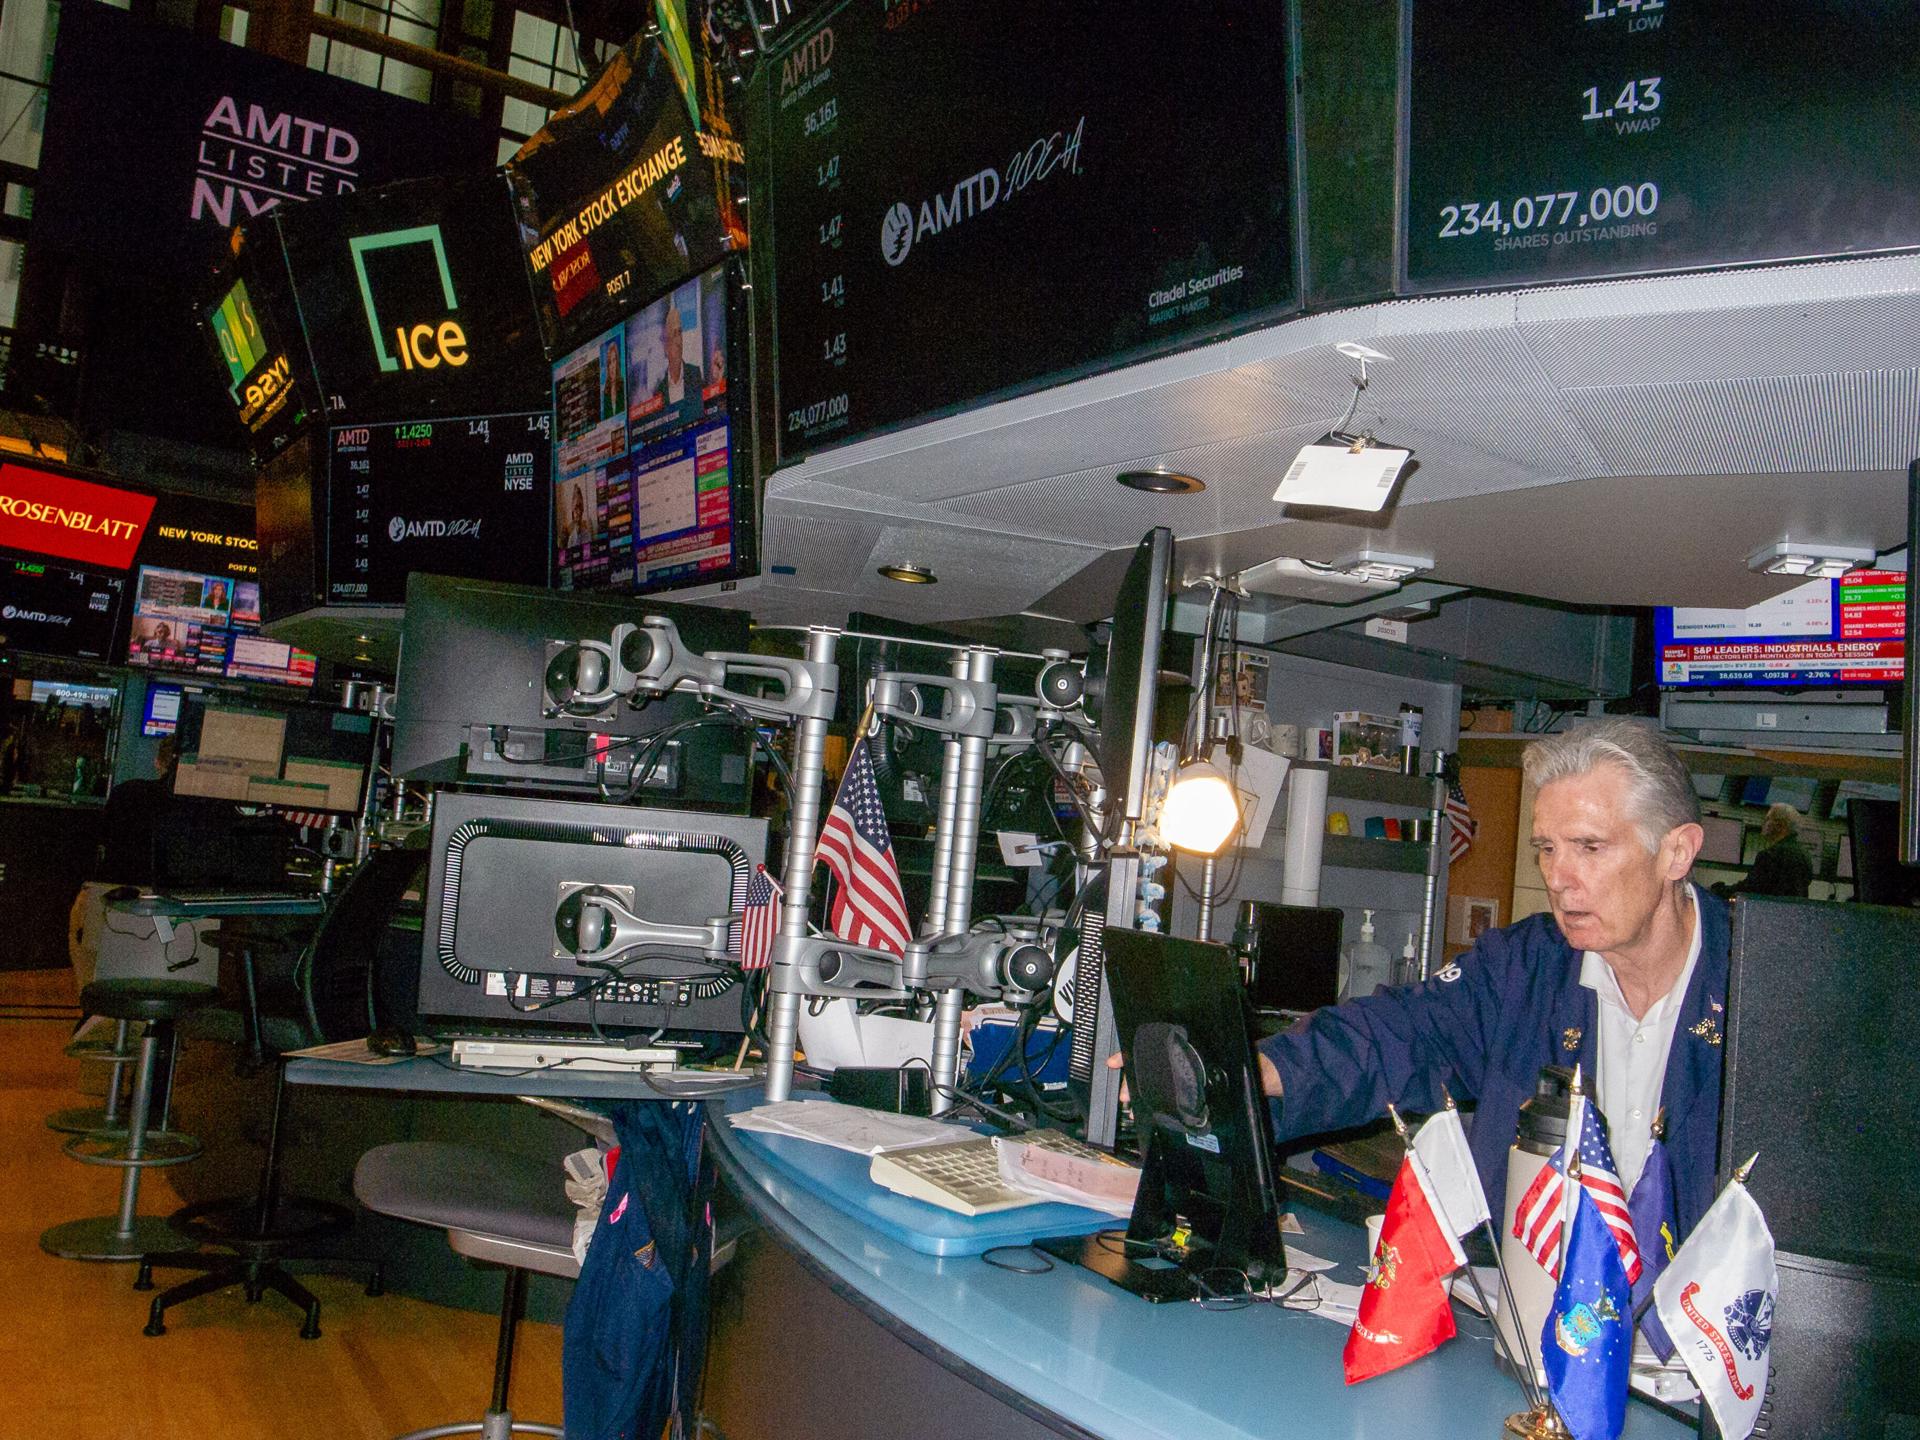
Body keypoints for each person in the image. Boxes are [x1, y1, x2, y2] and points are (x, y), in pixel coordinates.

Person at [1255, 718, 1729, 1243]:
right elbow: (1401, 1032)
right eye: (1547, 849)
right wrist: (1252, 1069)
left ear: (1676, 852)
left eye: (1589, 848)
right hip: (1529, 1308)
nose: (1557, 877)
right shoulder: (1527, 968)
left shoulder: (1760, 989)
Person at [1727, 801, 1814, 898]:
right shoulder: (1805, 855)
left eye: (1768, 819)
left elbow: (1750, 889)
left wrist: (1722, 890)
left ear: (1780, 825)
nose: (1763, 823)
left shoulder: (1770, 855)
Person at [652, 302, 705, 428]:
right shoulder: (658, 391)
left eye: (680, 332)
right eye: (674, 334)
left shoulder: (695, 374)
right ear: (665, 346)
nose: (678, 340)